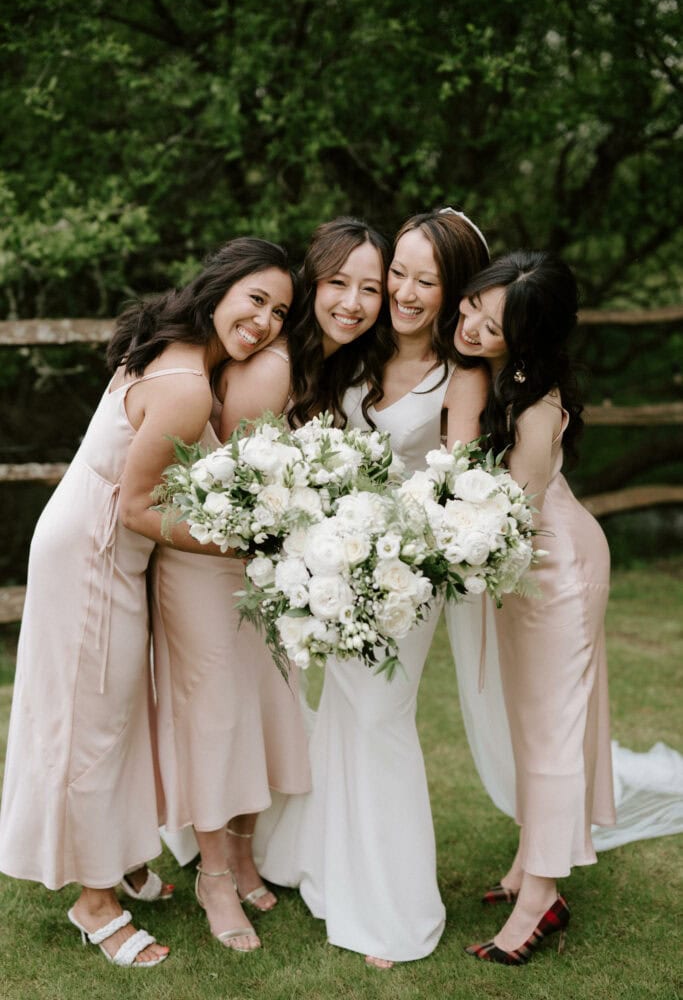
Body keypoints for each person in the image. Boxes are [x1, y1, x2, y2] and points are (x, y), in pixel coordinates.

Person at [0, 238, 294, 967]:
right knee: (89, 722)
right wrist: (240, 543)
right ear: (221, 287)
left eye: (280, 312)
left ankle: (124, 860)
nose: (263, 321)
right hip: (95, 553)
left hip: (96, 544)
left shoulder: (174, 344)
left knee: (115, 712)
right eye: (255, 299)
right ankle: (94, 902)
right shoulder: (188, 383)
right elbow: (135, 507)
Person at [254, 208, 490, 968]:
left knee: (380, 718)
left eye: (427, 279)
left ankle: (389, 908)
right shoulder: (356, 355)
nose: (405, 291)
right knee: (340, 716)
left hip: (406, 578)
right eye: (399, 274)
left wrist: (397, 544)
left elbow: (457, 484)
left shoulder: (462, 375)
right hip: (336, 562)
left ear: (453, 290)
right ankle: (319, 864)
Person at [150, 216, 394, 952]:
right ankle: (214, 876)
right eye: (337, 283)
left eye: (370, 289)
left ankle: (247, 853)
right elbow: (246, 491)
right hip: (206, 564)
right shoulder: (273, 365)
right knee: (218, 720)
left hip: (260, 569)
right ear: (313, 282)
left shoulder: (323, 366)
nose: (352, 301)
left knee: (262, 711)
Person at [453, 250, 616, 965]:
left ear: (526, 333)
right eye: (469, 310)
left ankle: (539, 896)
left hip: (554, 569)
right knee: (528, 722)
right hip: (521, 570)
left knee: (550, 730)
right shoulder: (499, 379)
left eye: (490, 325)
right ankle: (528, 861)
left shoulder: (536, 402)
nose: (469, 326)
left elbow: (508, 514)